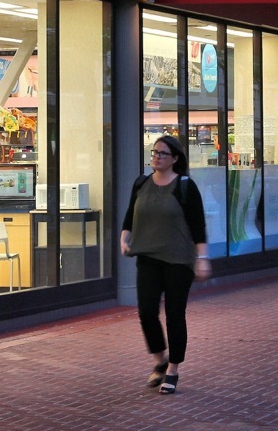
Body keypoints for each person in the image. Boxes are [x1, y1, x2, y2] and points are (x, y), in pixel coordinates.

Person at [120, 135, 209, 395]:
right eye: (154, 152)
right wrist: (124, 240)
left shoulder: (185, 186)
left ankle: (172, 370)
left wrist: (202, 259)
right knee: (146, 312)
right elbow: (129, 217)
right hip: (147, 257)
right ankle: (159, 359)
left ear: (175, 159)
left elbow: (198, 226)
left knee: (174, 315)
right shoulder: (141, 183)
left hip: (178, 261)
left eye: (162, 153)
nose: (156, 157)